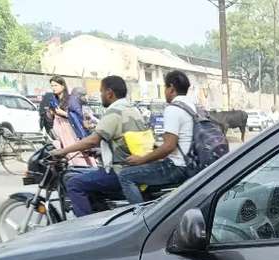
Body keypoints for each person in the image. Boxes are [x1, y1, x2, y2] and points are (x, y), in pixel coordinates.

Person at [50, 76, 148, 217]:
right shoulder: (132, 108)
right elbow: (122, 140)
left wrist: (62, 151)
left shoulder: (115, 111)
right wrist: (99, 151)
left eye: (101, 91)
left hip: (120, 171)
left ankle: (87, 228)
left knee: (74, 183)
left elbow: (93, 139)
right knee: (86, 175)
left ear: (109, 93)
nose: (100, 95)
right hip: (135, 167)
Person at [117, 70, 193, 204]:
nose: (164, 91)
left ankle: (140, 219)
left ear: (171, 88)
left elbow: (169, 146)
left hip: (176, 167)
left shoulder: (173, 109)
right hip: (191, 163)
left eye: (165, 87)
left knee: (125, 175)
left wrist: (141, 160)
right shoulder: (192, 106)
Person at [46, 76, 93, 167]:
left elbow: (78, 116)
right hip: (58, 128)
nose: (53, 88)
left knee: (74, 150)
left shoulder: (70, 99)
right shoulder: (53, 100)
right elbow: (50, 116)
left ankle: (81, 168)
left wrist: (63, 113)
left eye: (55, 85)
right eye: (52, 86)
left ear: (63, 86)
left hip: (69, 128)